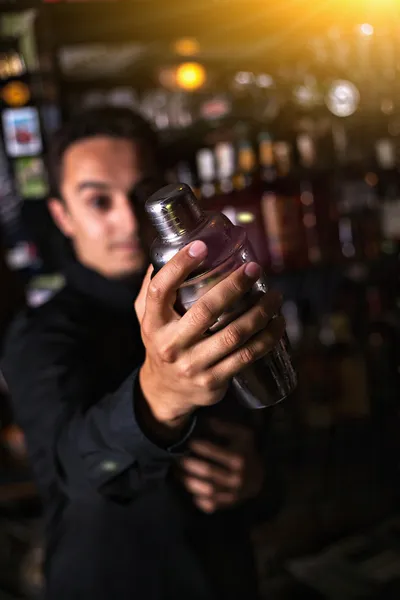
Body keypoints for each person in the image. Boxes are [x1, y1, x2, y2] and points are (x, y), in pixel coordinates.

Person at [2, 107, 286, 600]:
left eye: (141, 195)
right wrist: (158, 395)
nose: (129, 220)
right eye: (98, 201)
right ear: (62, 215)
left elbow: (272, 445)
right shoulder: (41, 339)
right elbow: (72, 472)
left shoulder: (208, 303)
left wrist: (256, 482)